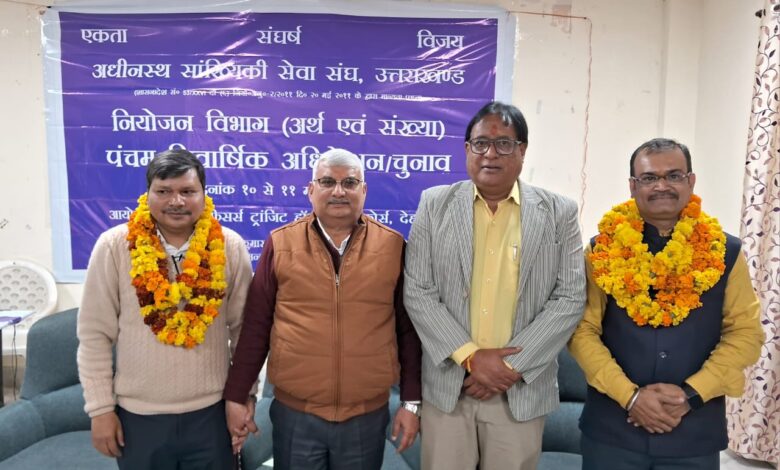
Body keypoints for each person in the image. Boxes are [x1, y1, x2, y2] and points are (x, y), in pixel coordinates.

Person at [403, 101, 586, 470]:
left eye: (504, 143)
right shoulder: (434, 204)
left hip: (518, 389)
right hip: (450, 388)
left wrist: (509, 367)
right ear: (466, 149)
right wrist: (471, 358)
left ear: (522, 150)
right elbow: (418, 291)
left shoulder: (558, 212)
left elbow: (569, 297)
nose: (490, 154)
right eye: (481, 143)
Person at [569, 137, 764, 470]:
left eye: (673, 176)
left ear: (691, 181)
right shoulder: (601, 250)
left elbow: (745, 333)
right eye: (649, 177)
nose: (662, 186)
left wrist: (690, 395)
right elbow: (582, 331)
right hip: (613, 431)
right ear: (633, 186)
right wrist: (631, 396)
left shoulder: (726, 252)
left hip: (693, 431)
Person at [223, 148, 422, 469]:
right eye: (327, 182)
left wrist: (411, 403)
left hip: (365, 415)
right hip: (296, 414)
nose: (339, 191)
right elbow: (256, 327)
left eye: (349, 183)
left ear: (364, 190)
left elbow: (408, 331)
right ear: (310, 190)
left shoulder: (392, 246)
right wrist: (238, 395)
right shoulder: (281, 243)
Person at [77, 149, 253, 469]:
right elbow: (94, 335)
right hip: (138, 417)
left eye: (187, 191)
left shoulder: (230, 246)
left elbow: (245, 332)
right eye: (164, 191)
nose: (176, 201)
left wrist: (243, 397)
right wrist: (100, 410)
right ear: (147, 194)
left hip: (212, 414)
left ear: (204, 194)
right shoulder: (114, 246)